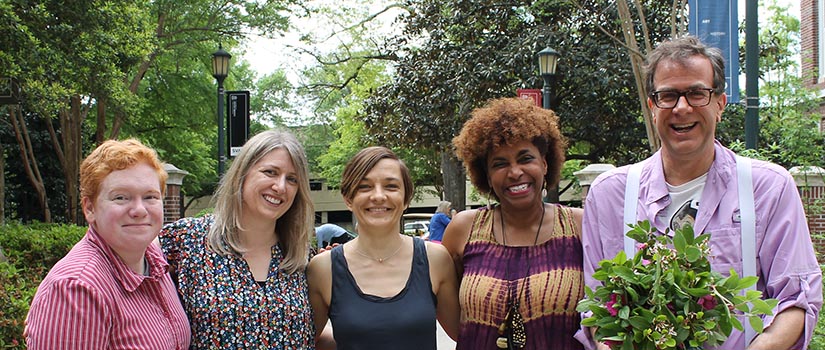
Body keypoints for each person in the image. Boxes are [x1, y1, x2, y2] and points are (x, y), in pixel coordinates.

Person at [576, 36, 822, 350]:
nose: (682, 107)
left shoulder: (768, 187)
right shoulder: (610, 196)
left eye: (696, 93)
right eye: (668, 96)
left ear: (719, 103)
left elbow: (797, 300)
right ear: (653, 107)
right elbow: (599, 309)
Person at [442, 97, 585, 349]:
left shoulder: (579, 226)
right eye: (500, 163)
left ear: (544, 162)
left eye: (525, 158)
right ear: (485, 174)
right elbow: (457, 326)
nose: (515, 172)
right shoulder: (463, 230)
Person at [25, 139, 190, 349]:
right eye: (121, 197)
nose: (139, 210)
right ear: (90, 208)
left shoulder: (154, 261)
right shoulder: (76, 290)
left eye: (150, 197)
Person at [159, 130, 316, 348]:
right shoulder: (186, 240)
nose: (281, 187)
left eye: (292, 179)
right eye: (270, 172)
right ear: (242, 174)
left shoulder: (302, 257)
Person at [307, 146, 460, 350]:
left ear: (406, 198)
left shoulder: (436, 259)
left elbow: (466, 335)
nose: (378, 196)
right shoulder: (322, 269)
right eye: (364, 187)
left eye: (391, 186)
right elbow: (305, 339)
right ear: (348, 198)